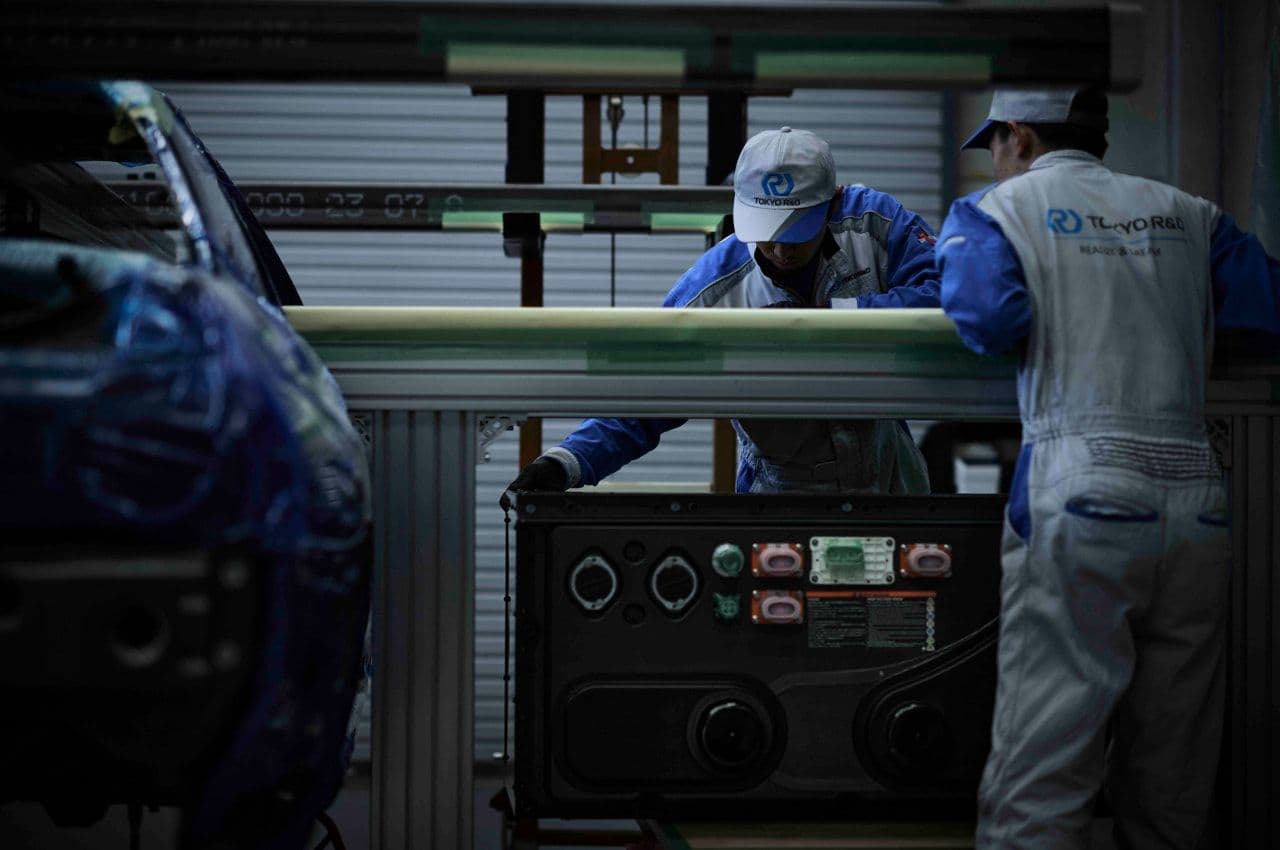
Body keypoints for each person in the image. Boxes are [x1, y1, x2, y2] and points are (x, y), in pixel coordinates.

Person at [938, 87, 1280, 849]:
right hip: (1198, 499)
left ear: (1018, 136)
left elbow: (990, 323)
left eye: (994, 146)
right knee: (1175, 767)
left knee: (1045, 756)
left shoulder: (994, 211)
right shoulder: (1192, 213)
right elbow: (1262, 316)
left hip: (1082, 490)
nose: (995, 162)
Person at [508, 126, 941, 495]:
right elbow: (645, 395)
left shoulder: (874, 223)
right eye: (767, 232)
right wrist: (567, 462)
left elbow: (946, 293)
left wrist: (836, 318)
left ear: (834, 203)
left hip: (895, 490)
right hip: (781, 506)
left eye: (797, 232)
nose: (779, 249)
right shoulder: (713, 291)